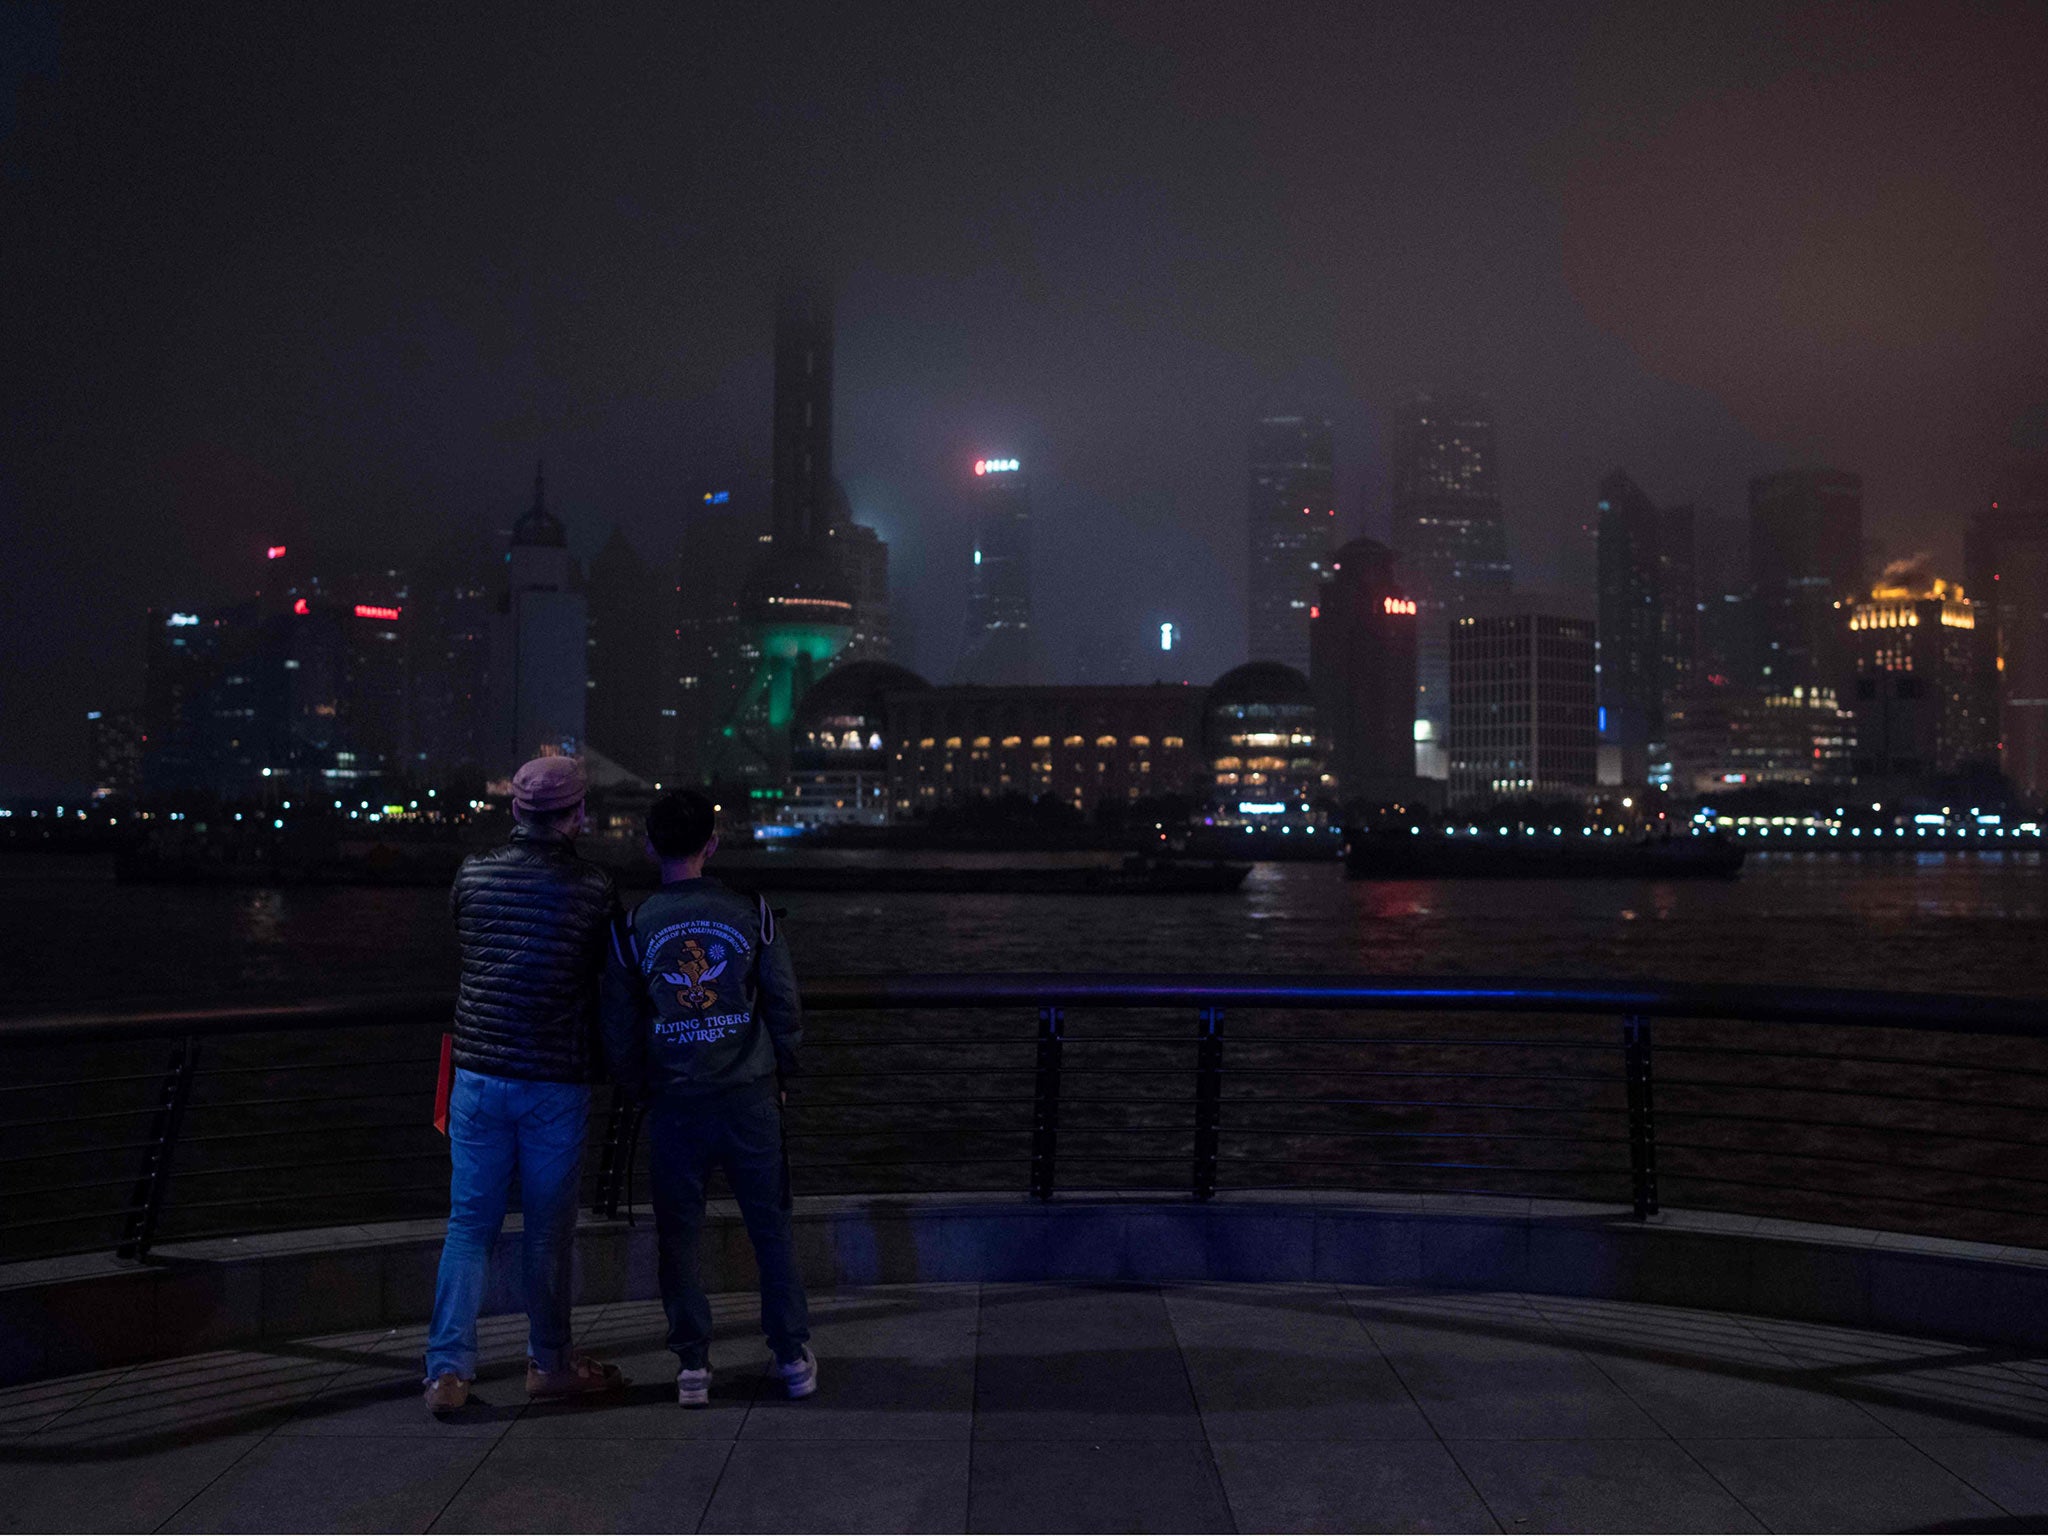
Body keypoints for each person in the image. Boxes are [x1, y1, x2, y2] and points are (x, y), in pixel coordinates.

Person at [422, 755, 627, 1413]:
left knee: (468, 1227)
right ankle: (549, 1362)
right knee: (547, 1231)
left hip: (477, 1073)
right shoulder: (593, 888)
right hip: (553, 1080)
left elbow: (464, 938)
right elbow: (605, 970)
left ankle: (447, 1374)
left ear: (515, 810)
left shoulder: (473, 875)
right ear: (576, 816)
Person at [602, 789, 815, 1408]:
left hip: (674, 1102)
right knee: (770, 1228)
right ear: (712, 845)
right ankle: (791, 1357)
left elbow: (618, 1027)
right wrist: (783, 1067)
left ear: (648, 847)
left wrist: (640, 1083)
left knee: (680, 1235)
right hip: (748, 1096)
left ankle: (693, 1367)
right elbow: (783, 1002)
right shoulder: (751, 910)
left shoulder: (632, 926)